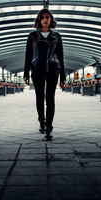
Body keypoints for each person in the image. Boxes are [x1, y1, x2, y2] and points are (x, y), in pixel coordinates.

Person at [23, 8, 66, 140]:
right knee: (39, 98)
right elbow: (28, 55)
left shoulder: (57, 36)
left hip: (53, 68)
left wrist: (63, 76)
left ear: (51, 19)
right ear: (39, 20)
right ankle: (42, 122)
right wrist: (26, 73)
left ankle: (49, 127)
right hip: (37, 69)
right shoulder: (32, 36)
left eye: (47, 17)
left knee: (50, 98)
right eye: (43, 17)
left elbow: (61, 56)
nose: (45, 20)